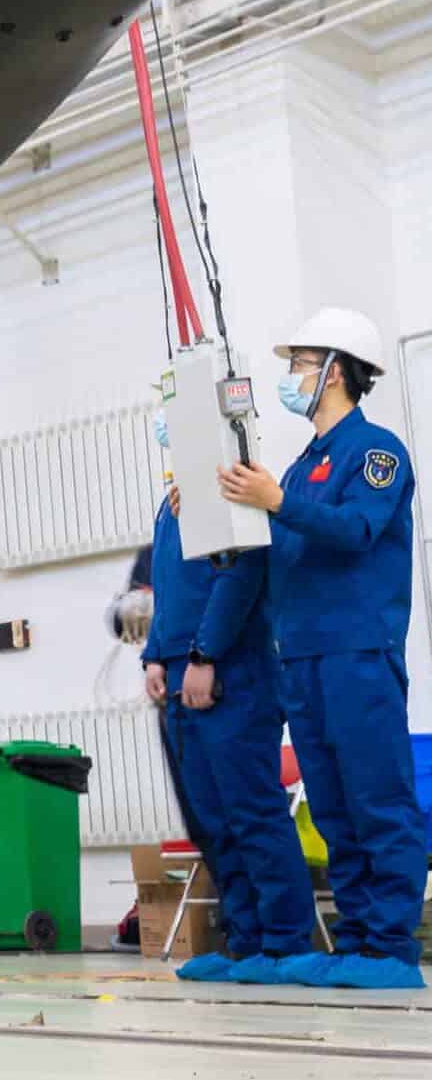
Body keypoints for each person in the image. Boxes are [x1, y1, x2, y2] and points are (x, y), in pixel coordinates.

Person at [217, 307, 421, 991]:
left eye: (301, 364)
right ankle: (356, 939)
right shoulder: (302, 467)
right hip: (301, 657)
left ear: (335, 371)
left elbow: (356, 528)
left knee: (377, 798)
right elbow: (277, 552)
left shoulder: (376, 452)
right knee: (332, 808)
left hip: (357, 653)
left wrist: (276, 500)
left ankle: (391, 948)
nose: (293, 376)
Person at [136, 415, 315, 985]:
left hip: (232, 674)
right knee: (212, 818)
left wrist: (205, 654)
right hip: (181, 673)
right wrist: (155, 656)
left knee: (250, 809)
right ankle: (246, 941)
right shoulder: (173, 501)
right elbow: (171, 588)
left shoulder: (231, 487)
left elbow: (239, 577)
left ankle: (285, 942)